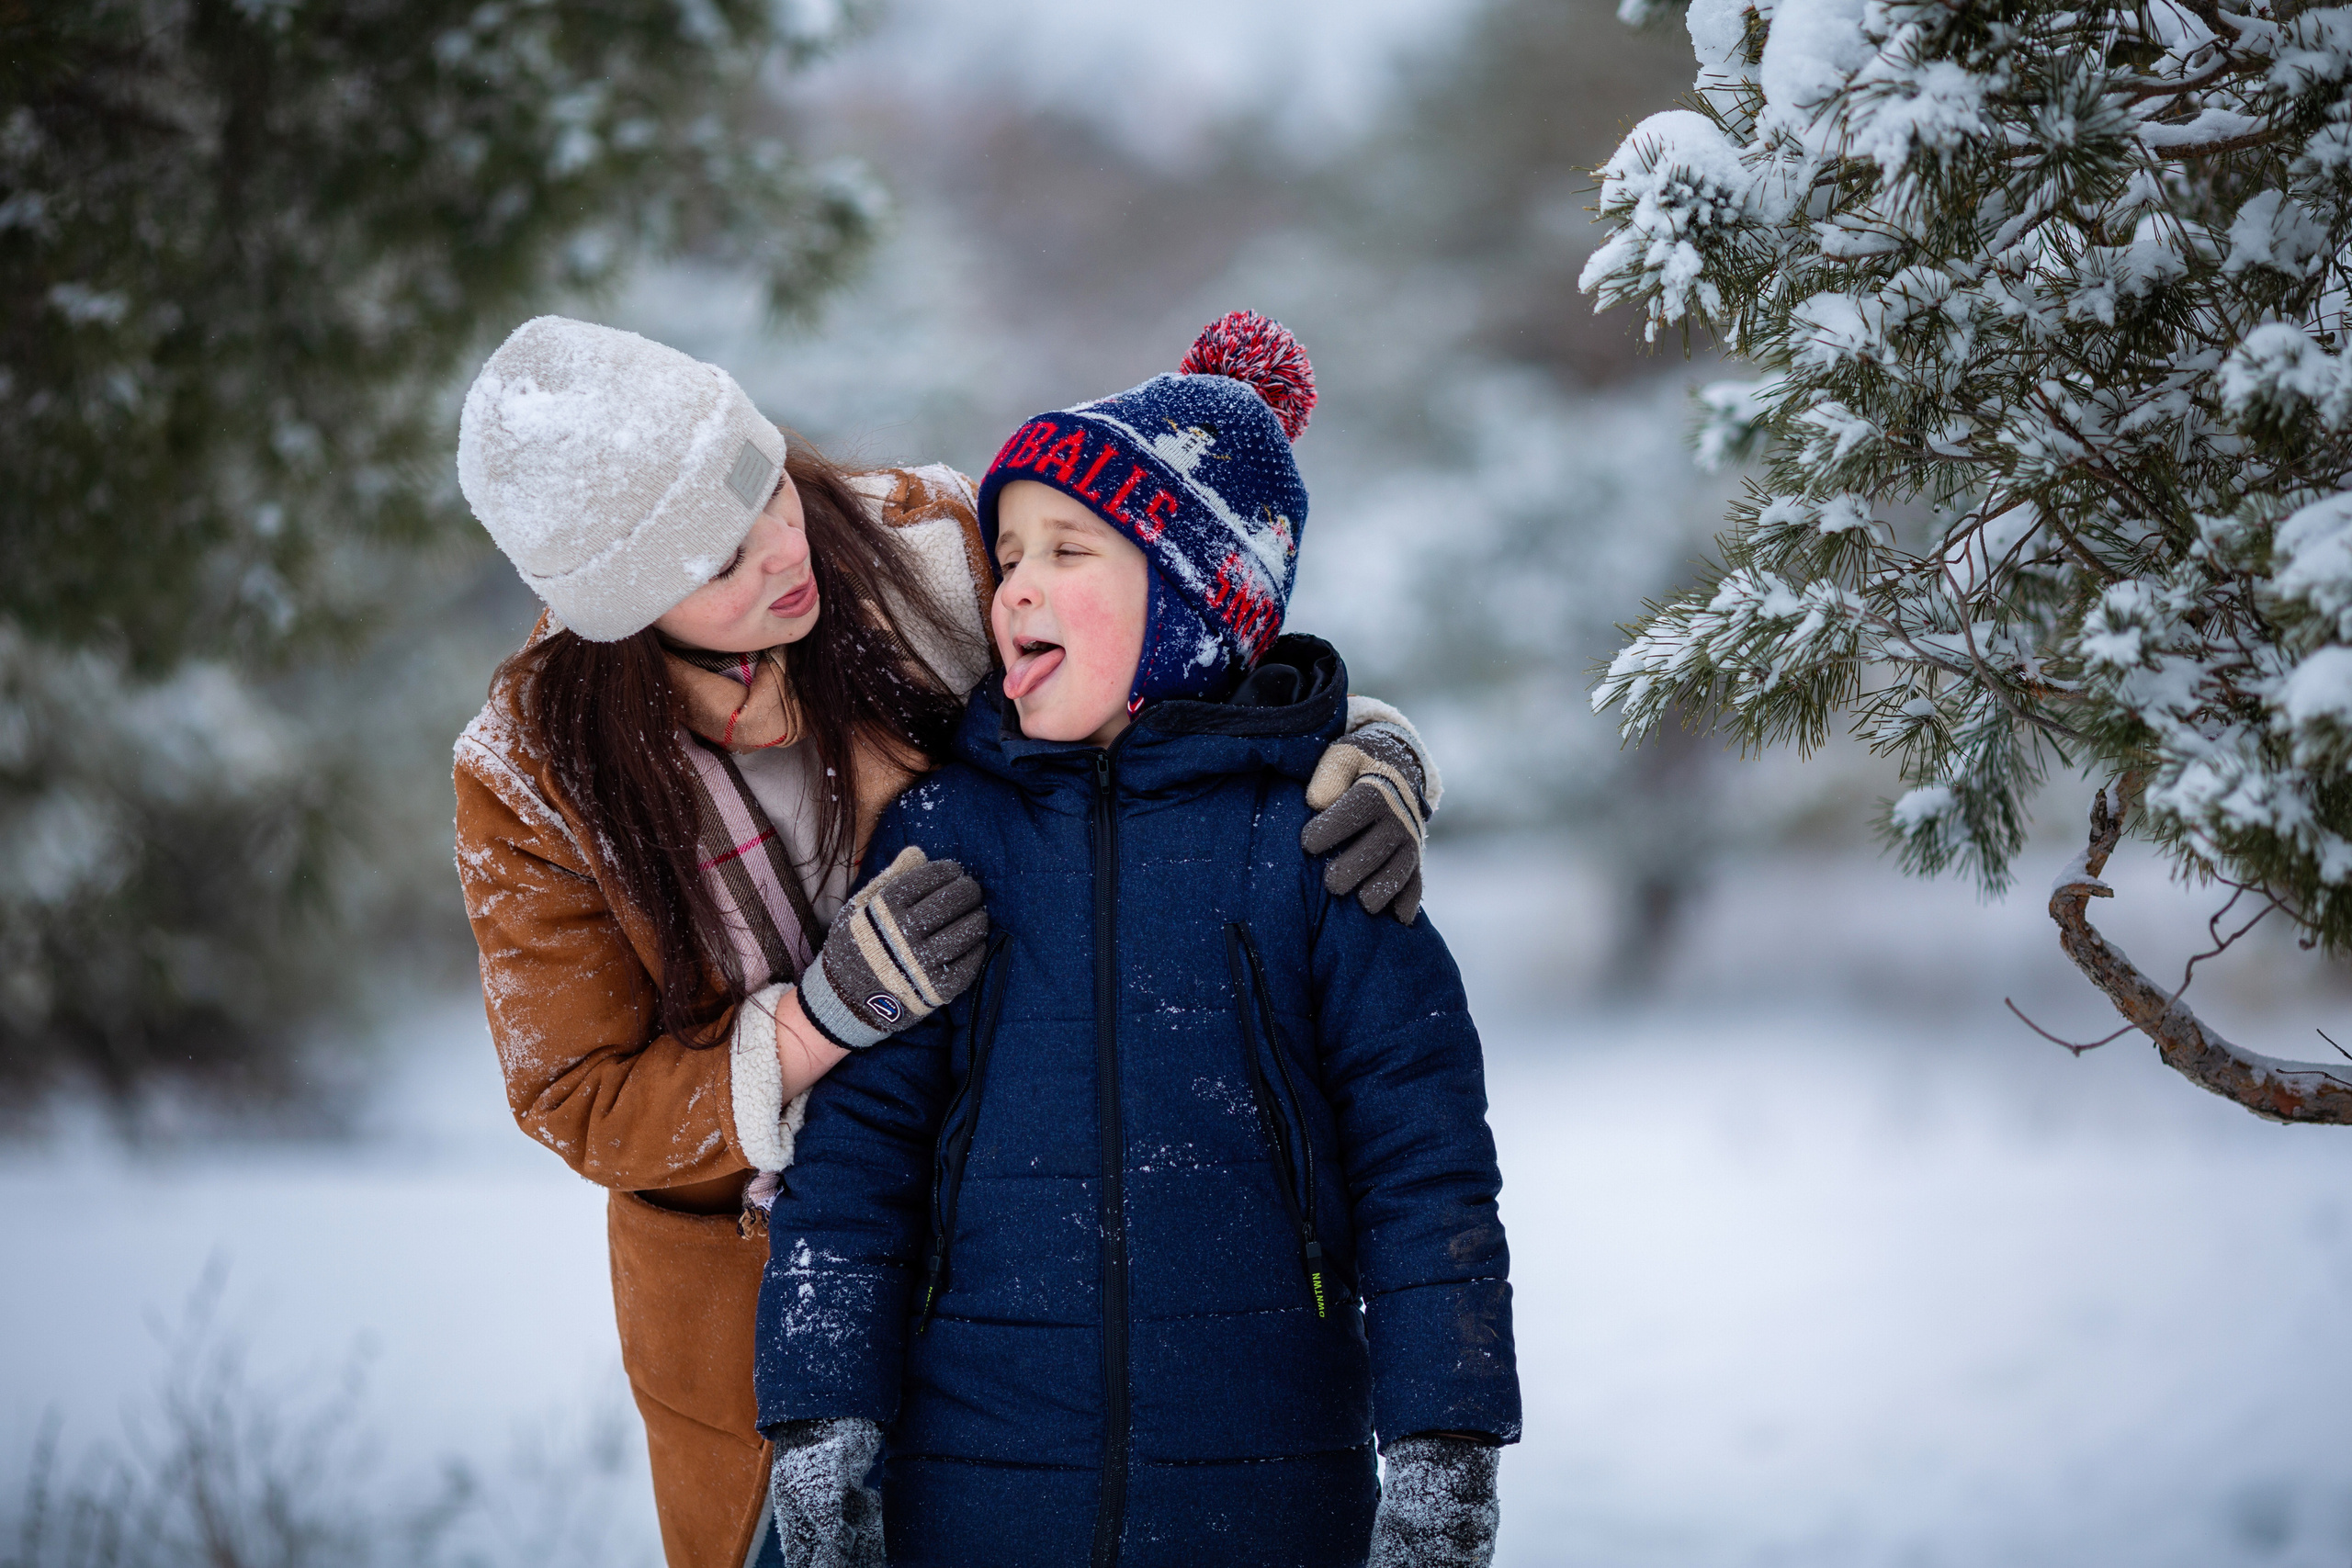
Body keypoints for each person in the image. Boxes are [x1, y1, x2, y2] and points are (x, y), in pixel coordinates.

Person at [447, 316, 1445, 1566]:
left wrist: (1376, 744)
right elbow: (578, 1099)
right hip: (772, 1303)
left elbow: (1184, 646)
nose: (776, 552)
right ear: (624, 609)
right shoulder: (536, 772)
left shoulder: (927, 550)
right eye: (712, 560)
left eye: (761, 484)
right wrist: (819, 1023)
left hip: (1028, 1247)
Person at [752, 313, 1518, 1568]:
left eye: (1070, 550)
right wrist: (823, 1417)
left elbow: (1425, 1168)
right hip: (977, 1494)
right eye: (1007, 559)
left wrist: (1444, 1452)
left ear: (1188, 601)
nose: (1018, 588)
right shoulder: (951, 834)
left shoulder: (1315, 845)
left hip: (1266, 1501)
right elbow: (858, 1162)